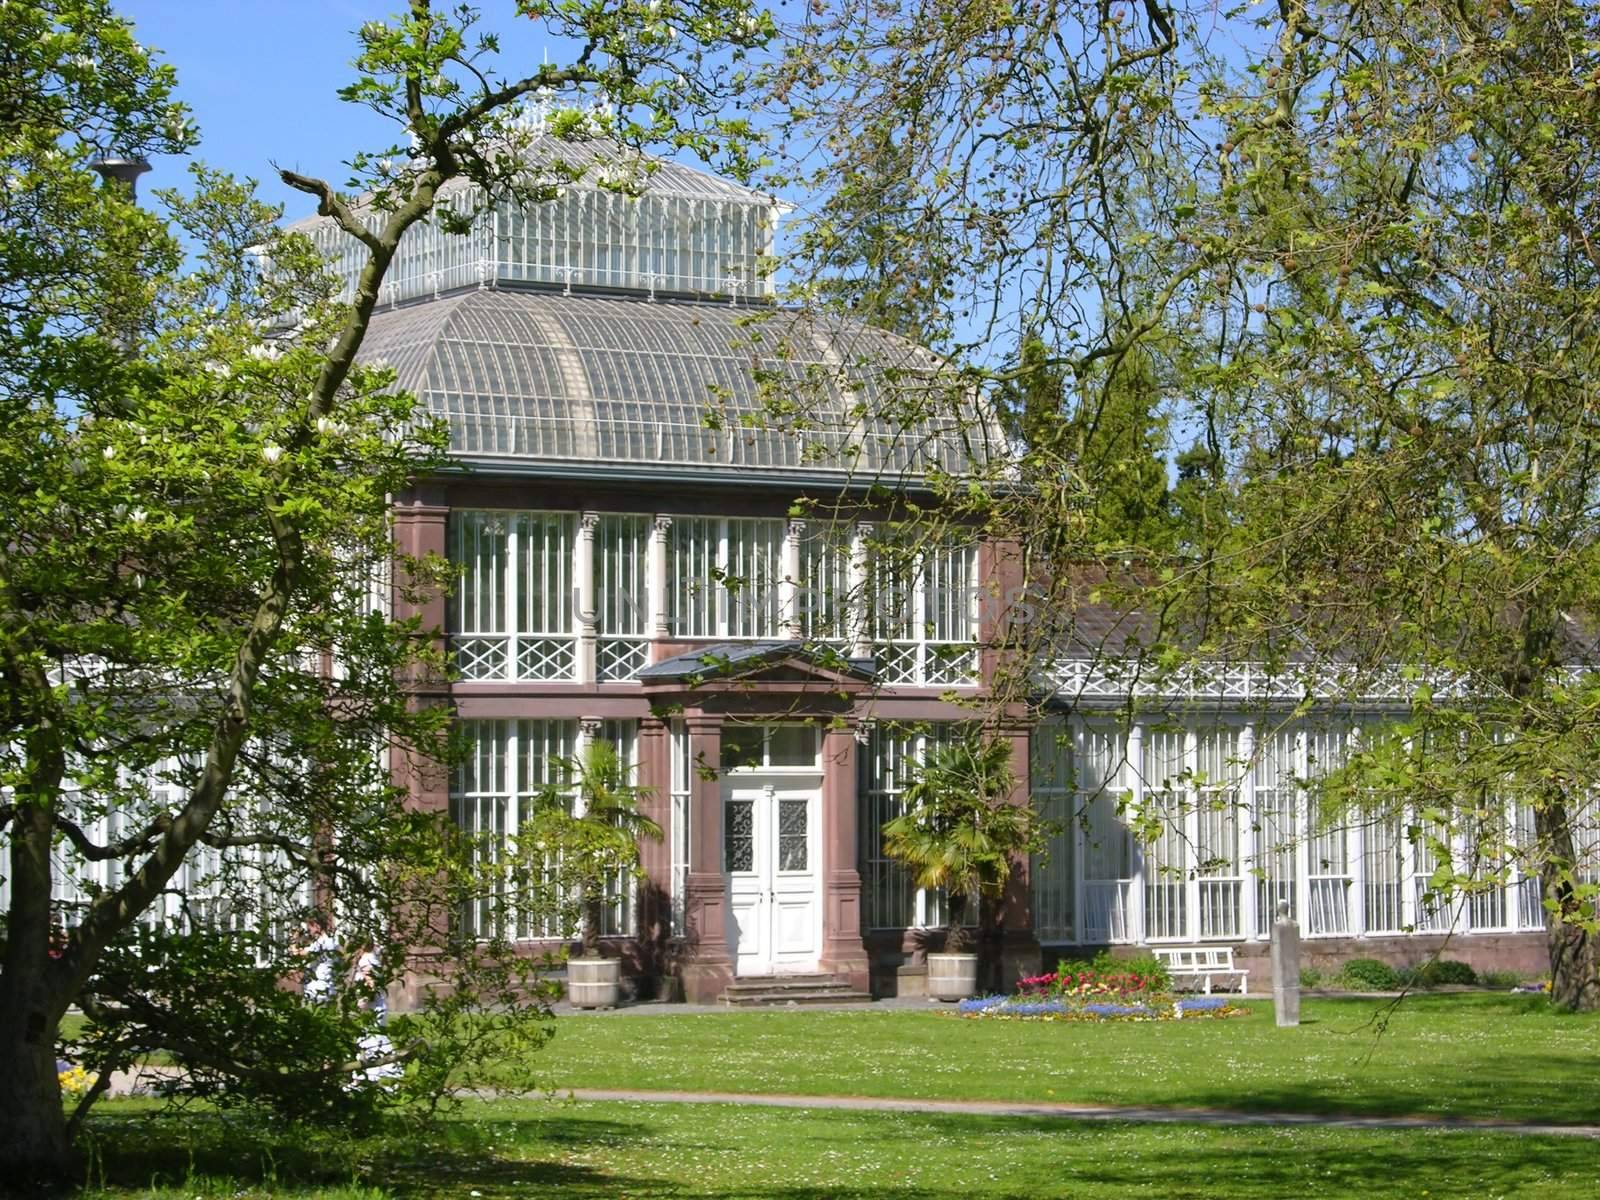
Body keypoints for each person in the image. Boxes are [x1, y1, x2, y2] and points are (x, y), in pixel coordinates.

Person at [295, 913, 338, 1004]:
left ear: (317, 926)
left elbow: (297, 954)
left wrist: (294, 938)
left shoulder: (321, 943)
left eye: (310, 927)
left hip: (317, 990)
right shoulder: (332, 941)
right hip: (328, 987)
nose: (308, 930)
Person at [351, 936, 387, 1024]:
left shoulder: (366, 959)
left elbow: (370, 980)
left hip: (371, 1003)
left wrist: (366, 999)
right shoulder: (371, 958)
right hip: (374, 1003)